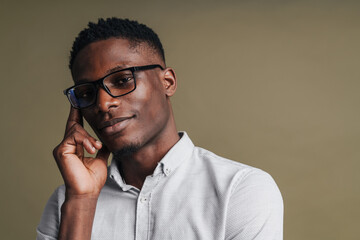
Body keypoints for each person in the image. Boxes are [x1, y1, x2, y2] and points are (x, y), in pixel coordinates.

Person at [37, 18, 283, 240]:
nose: (103, 103)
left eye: (122, 80)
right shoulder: (66, 201)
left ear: (168, 82)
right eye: (87, 93)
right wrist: (82, 201)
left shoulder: (240, 189)